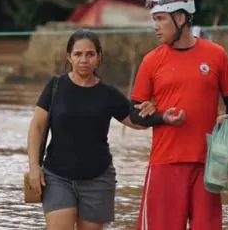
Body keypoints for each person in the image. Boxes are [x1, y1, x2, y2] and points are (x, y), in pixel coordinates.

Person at [26, 29, 184, 230]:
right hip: (57, 176)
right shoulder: (55, 87)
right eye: (78, 54)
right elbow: (37, 127)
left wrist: (162, 115)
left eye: (90, 54)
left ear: (99, 58)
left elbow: (136, 121)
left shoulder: (108, 94)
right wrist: (33, 166)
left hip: (98, 180)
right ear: (69, 57)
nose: (84, 60)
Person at [128, 0, 228, 230]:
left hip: (208, 165)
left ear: (180, 18)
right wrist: (162, 118)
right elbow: (135, 114)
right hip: (164, 165)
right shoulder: (151, 61)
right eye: (154, 20)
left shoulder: (217, 55)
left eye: (160, 19)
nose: (155, 26)